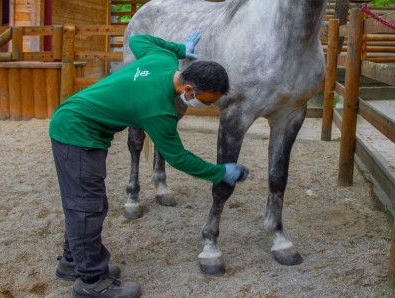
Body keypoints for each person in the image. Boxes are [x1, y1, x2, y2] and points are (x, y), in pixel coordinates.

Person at [49, 31, 249, 298]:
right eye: (208, 101)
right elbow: (178, 157)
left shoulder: (164, 60)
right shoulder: (159, 110)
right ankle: (92, 282)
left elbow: (138, 40)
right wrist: (219, 172)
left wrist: (179, 47)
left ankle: (72, 263)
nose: (208, 106)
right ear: (189, 89)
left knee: (87, 203)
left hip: (81, 125)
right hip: (76, 132)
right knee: (87, 206)